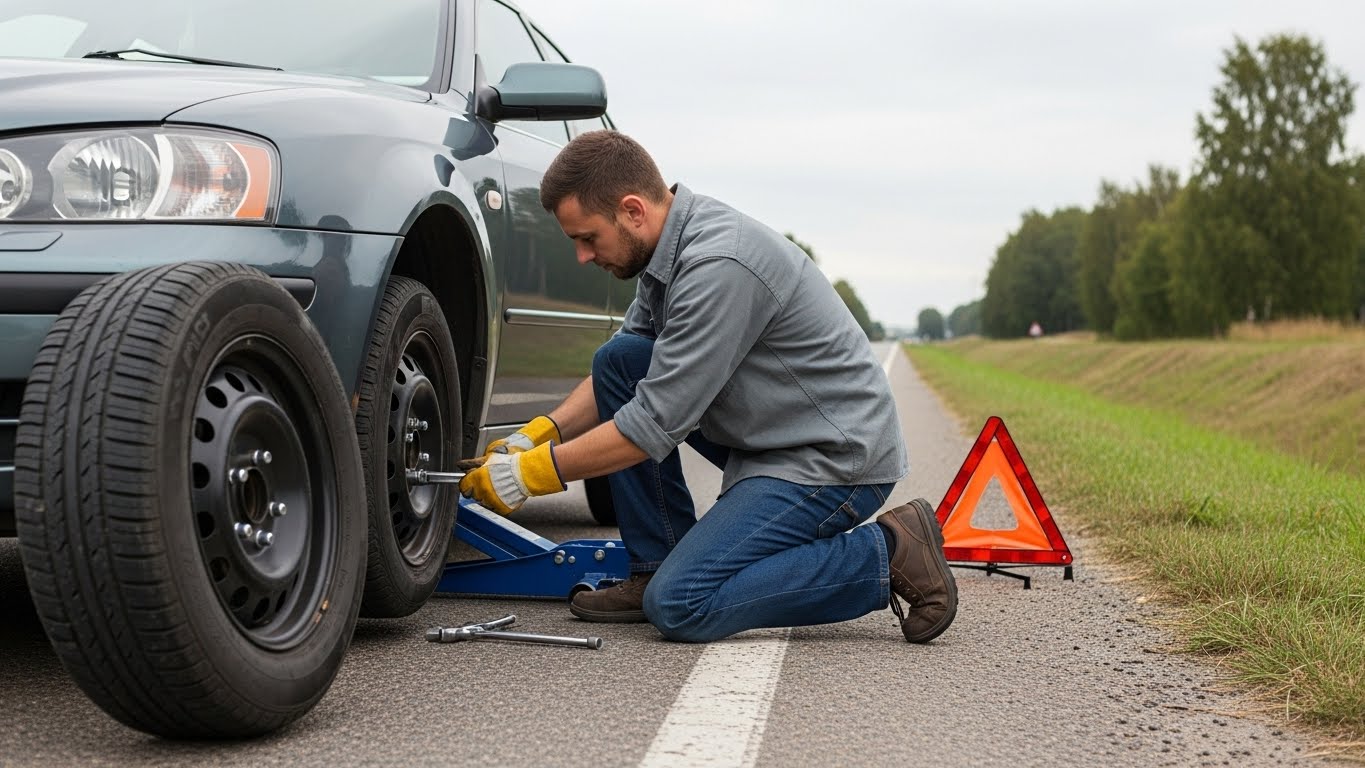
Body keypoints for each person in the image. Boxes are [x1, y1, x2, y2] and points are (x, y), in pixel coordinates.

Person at [459, 131, 957, 644]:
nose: (584, 256)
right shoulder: (666, 251)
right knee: (619, 360)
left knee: (681, 604)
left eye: (587, 238)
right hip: (775, 441)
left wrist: (532, 474)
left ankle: (890, 552)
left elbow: (651, 424)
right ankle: (656, 563)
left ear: (632, 211)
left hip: (832, 461)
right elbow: (625, 373)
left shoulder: (717, 264)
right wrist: (540, 433)